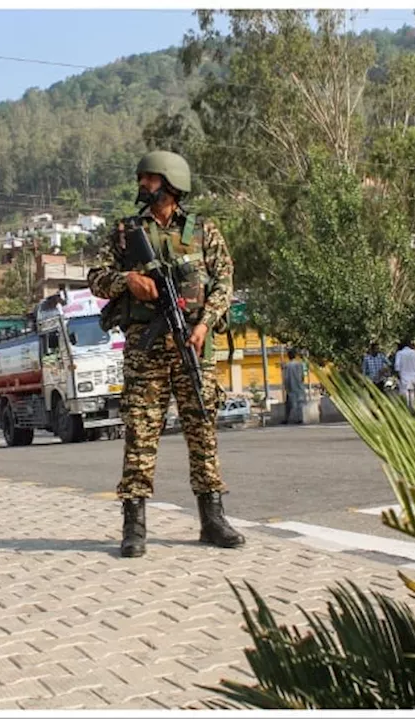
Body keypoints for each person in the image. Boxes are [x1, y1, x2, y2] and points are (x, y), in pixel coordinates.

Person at [88, 149, 245, 558]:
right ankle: (134, 525)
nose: (142, 184)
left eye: (149, 179)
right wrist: (128, 281)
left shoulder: (204, 231)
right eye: (142, 178)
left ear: (171, 183)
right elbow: (96, 280)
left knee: (203, 433)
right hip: (146, 352)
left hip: (193, 347)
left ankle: (212, 519)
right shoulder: (125, 233)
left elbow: (224, 285)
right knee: (140, 433)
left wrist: (203, 324)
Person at [393, 340, 415, 409]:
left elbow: (397, 366)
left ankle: (406, 409)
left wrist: (397, 375)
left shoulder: (399, 353)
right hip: (414, 376)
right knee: (413, 394)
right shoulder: (414, 353)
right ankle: (414, 408)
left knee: (405, 393)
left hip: (404, 376)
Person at [282, 349, 307, 424]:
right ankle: (299, 418)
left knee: (290, 404)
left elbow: (285, 378)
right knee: (299, 403)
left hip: (290, 387)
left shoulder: (287, 365)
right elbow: (302, 376)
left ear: (288, 356)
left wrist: (286, 387)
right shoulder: (299, 364)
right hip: (299, 386)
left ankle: (287, 419)